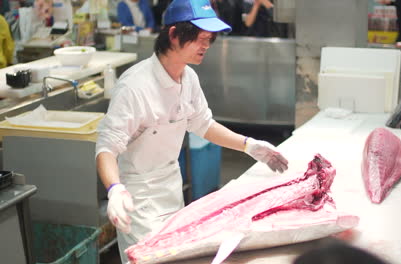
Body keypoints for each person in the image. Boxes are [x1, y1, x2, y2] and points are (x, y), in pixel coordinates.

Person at [95, 0, 289, 262]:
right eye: (199, 38)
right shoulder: (134, 87)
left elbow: (203, 125)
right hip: (136, 203)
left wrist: (248, 145)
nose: (206, 46)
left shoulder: (188, 78)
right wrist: (115, 189)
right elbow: (107, 147)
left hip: (171, 190)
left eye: (210, 39)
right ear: (173, 34)